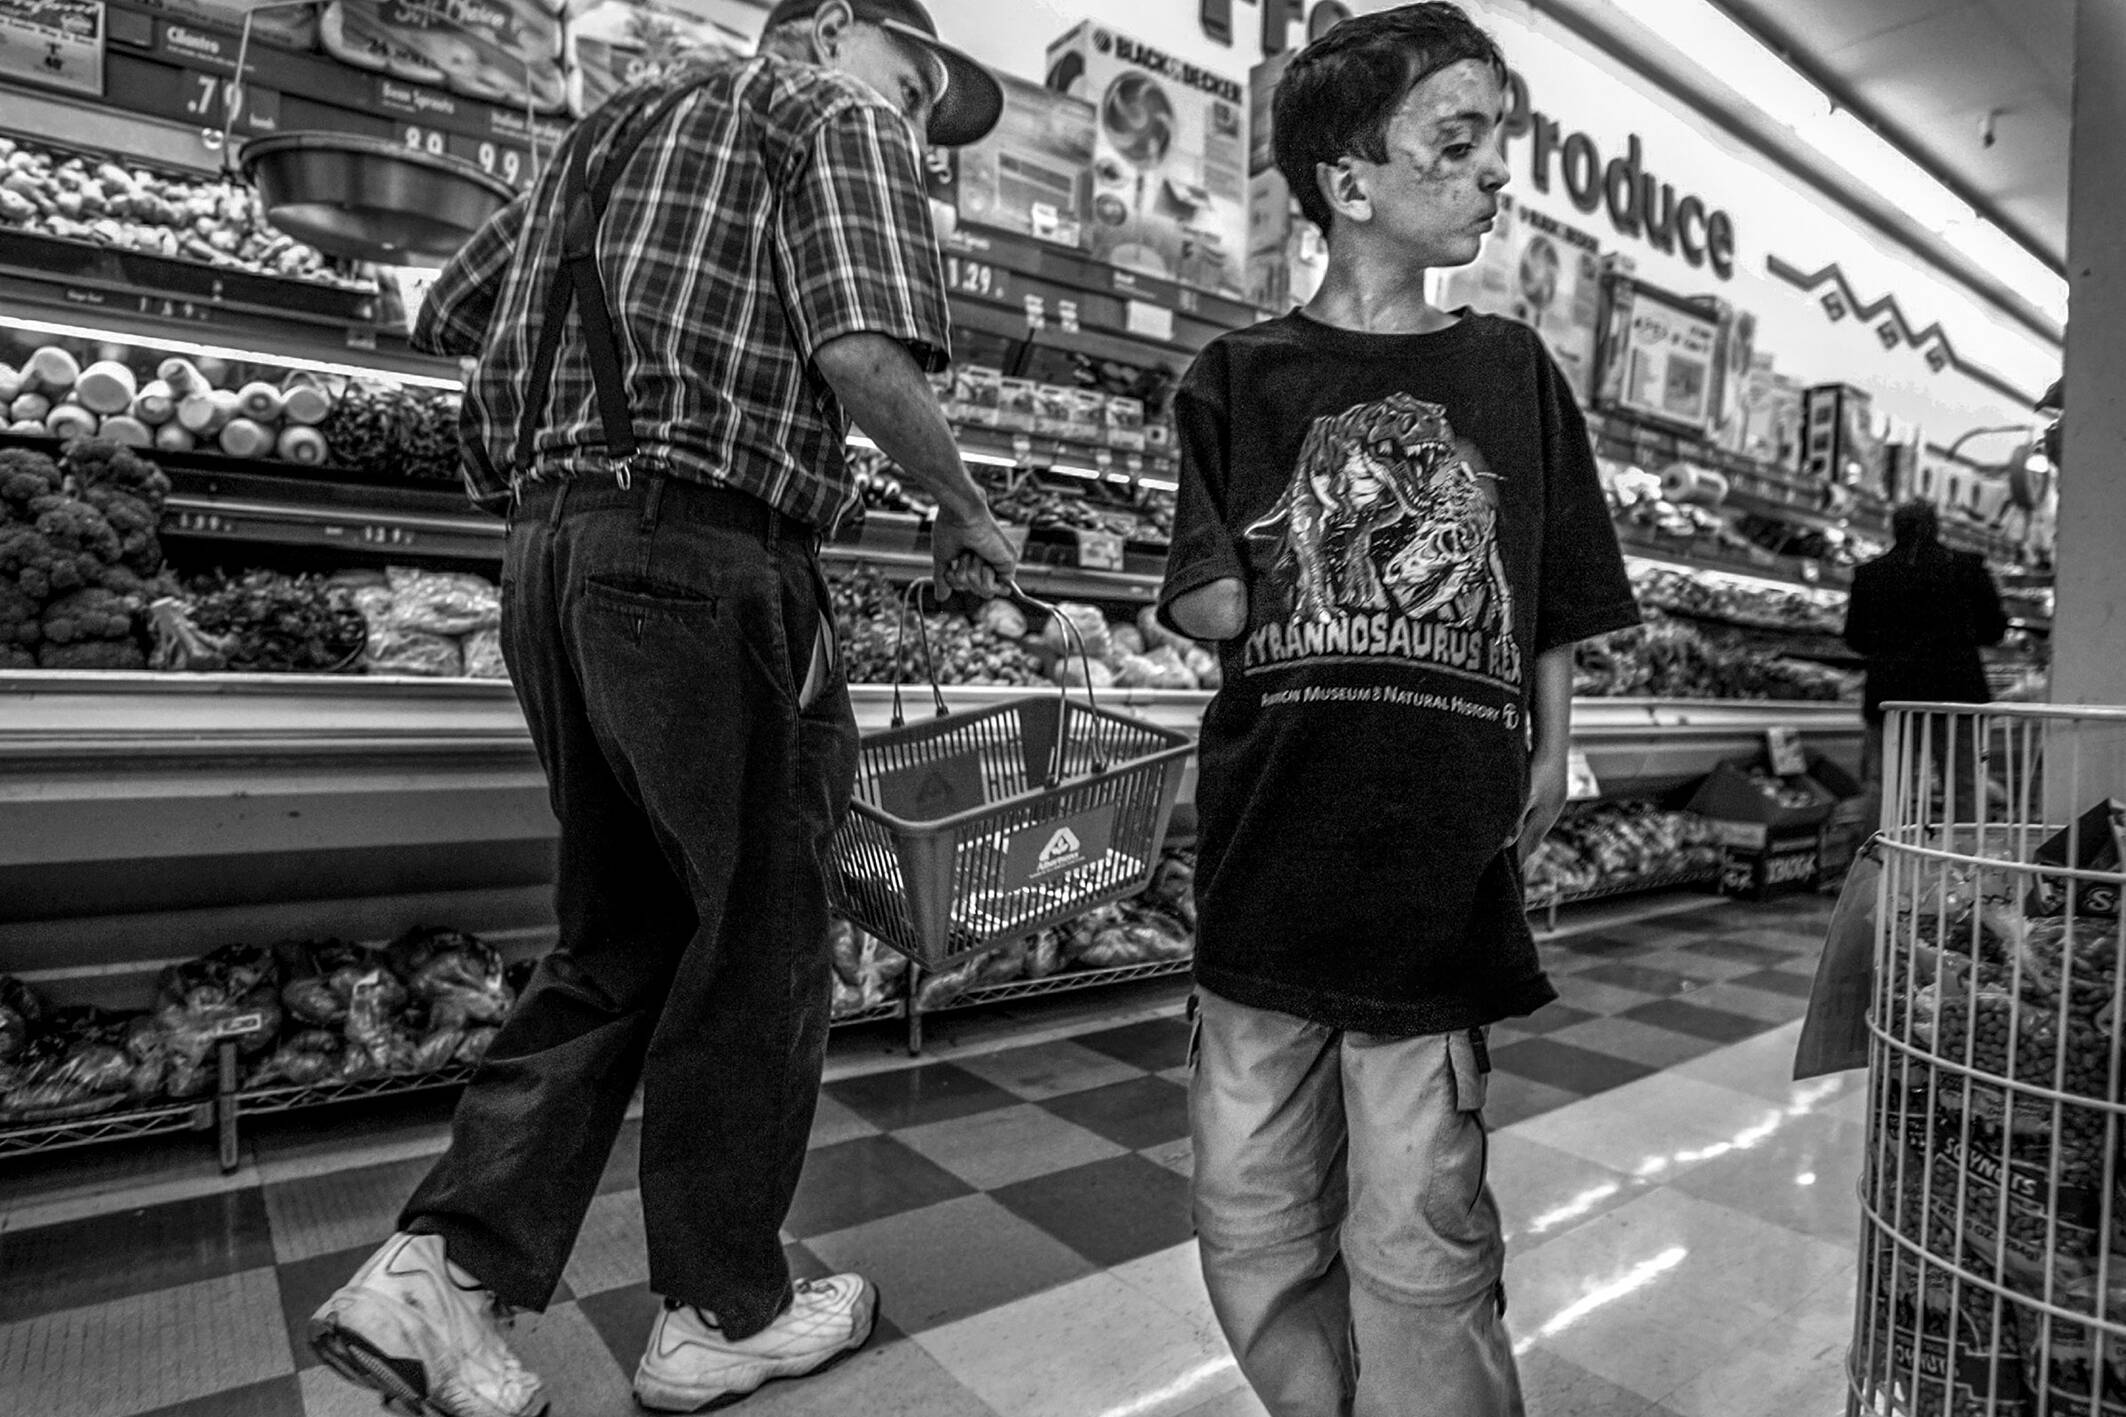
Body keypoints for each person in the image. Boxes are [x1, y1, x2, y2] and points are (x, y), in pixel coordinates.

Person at [307, 4, 1016, 1415]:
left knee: (621, 930)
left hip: (550, 554)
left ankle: (438, 1275)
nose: (914, 124)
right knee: (761, 934)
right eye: (914, 85)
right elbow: (862, 355)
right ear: (827, 27)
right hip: (704, 556)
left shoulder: (607, 126)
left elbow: (448, 310)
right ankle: (722, 1309)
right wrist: (963, 508)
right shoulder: (829, 114)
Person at [1157, 7, 1641, 1414]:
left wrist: (1551, 743)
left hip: (1433, 869)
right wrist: (1239, 563)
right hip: (1263, 861)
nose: (1495, 171)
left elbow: (1553, 585)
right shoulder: (1234, 379)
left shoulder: (1511, 373)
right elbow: (1206, 594)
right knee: (1249, 1210)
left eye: (1498, 140)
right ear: (1347, 180)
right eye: (1457, 139)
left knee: (1422, 1225)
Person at [1844, 499, 2008, 819]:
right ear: (1936, 528)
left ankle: (1880, 846)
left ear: (1894, 529)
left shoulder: (1871, 574)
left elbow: (1855, 638)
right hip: (1957, 696)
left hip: (1891, 698)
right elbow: (1994, 630)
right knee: (1964, 784)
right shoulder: (1968, 568)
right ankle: (1963, 848)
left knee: (1886, 785)